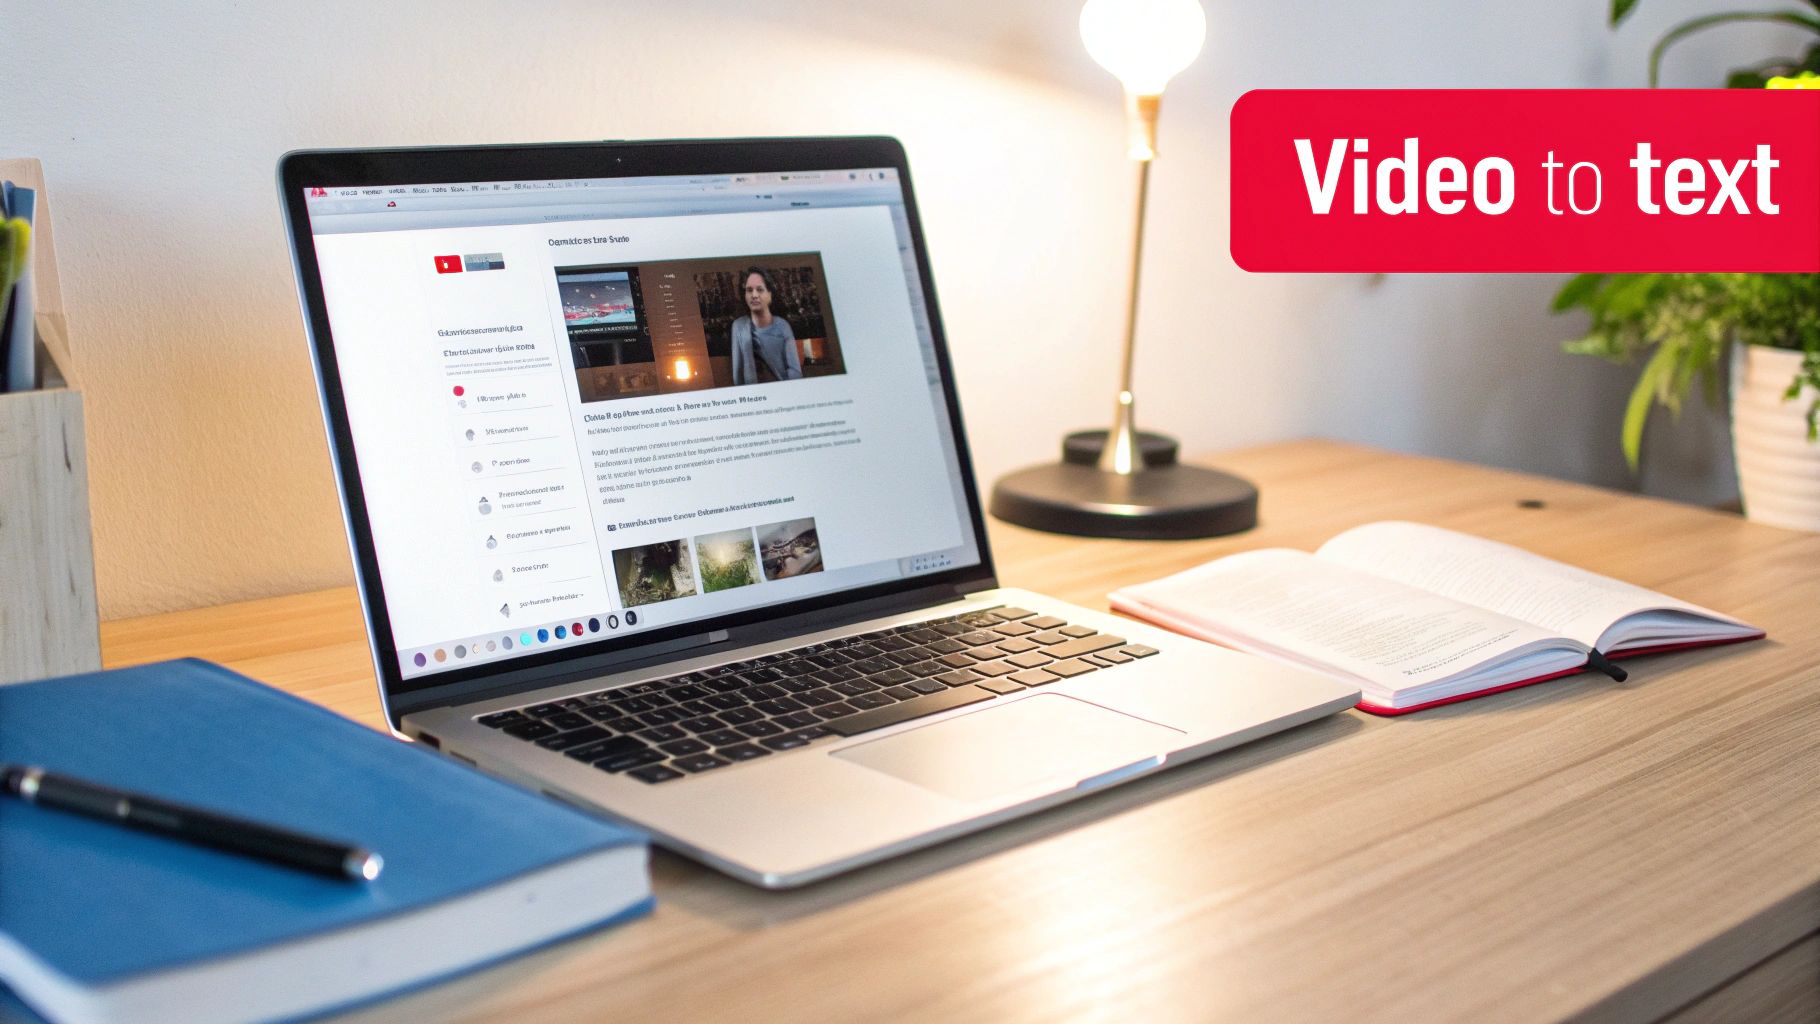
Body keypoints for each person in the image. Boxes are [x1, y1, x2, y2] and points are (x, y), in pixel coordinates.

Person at [728, 267, 802, 385]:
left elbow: (795, 370)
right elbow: (737, 373)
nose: (754, 295)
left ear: (770, 294)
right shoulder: (738, 326)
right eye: (749, 290)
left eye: (760, 289)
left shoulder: (782, 326)